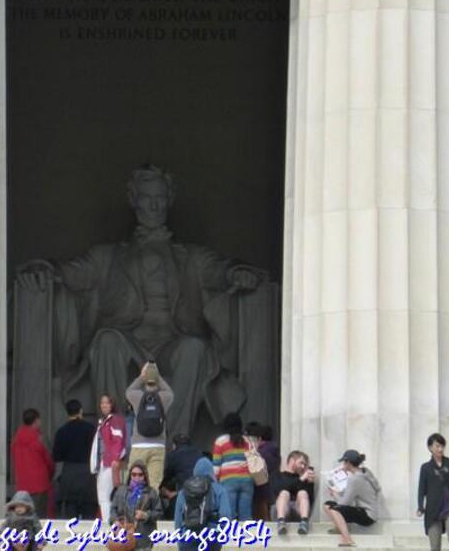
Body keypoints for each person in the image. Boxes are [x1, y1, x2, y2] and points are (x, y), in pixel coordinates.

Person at [15, 165, 269, 438]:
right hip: (127, 340)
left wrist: (237, 273)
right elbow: (71, 273)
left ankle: (173, 439)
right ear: (134, 199)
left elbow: (219, 271)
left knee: (195, 349)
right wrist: (44, 269)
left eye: (160, 197)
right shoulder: (108, 257)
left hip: (172, 342)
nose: (154, 205)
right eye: (147, 197)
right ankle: (115, 436)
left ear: (169, 199)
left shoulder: (191, 258)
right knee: (106, 341)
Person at [126, 363, 173, 491]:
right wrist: (157, 376)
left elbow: (128, 391)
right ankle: (149, 510)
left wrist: (142, 376)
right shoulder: (164, 397)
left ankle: (133, 508)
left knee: (134, 482)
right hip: (158, 445)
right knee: (154, 485)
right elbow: (170, 392)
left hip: (138, 445)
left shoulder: (137, 397)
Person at [323, 450, 382, 547]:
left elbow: (344, 503)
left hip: (368, 515)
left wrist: (334, 493)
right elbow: (377, 487)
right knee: (327, 505)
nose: (342, 465)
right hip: (369, 512)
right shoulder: (365, 472)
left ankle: (347, 539)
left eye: (344, 462)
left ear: (348, 463)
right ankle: (339, 527)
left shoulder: (354, 479)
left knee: (334, 510)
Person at [418, 433, 449, 551]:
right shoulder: (426, 467)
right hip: (433, 509)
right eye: (437, 446)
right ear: (430, 448)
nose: (440, 449)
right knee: (435, 546)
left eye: (442, 446)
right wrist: (420, 506)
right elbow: (421, 489)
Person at [53, 399, 97, 519]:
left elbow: (56, 456)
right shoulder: (90, 429)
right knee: (89, 517)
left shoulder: (61, 432)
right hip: (87, 474)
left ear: (67, 413)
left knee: (70, 518)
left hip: (69, 475)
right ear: (81, 411)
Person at [174, 456, 227, 551]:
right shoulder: (219, 490)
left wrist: (180, 543)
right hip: (211, 538)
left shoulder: (184, 491)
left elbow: (178, 521)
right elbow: (225, 515)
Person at [110, 461, 164, 550]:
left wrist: (146, 515)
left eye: (140, 475)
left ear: (145, 476)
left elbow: (159, 512)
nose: (137, 478)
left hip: (143, 538)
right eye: (134, 475)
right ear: (130, 475)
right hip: (123, 536)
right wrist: (115, 520)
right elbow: (113, 509)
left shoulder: (151, 493)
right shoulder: (121, 491)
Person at [11, 408, 54, 517]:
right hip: (40, 484)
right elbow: (49, 461)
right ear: (36, 421)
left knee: (23, 518)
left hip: (22, 484)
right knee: (39, 517)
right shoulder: (39, 438)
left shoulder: (16, 439)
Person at [91, 393, 127, 523]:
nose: (104, 405)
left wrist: (115, 459)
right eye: (102, 403)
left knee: (104, 496)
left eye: (107, 402)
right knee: (107, 495)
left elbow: (118, 440)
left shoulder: (114, 420)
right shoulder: (105, 421)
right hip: (105, 463)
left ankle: (108, 523)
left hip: (109, 463)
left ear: (113, 404)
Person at [212, 412, 254, 520]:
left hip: (228, 480)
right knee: (246, 515)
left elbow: (216, 466)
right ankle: (246, 535)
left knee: (228, 514)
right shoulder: (248, 441)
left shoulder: (221, 441)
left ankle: (228, 536)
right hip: (247, 480)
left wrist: (215, 481)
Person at [272, 450, 315, 535]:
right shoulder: (277, 475)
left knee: (302, 493)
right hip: (282, 510)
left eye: (305, 465)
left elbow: (310, 500)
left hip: (298, 511)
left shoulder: (304, 477)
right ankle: (281, 523)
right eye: (301, 463)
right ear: (292, 461)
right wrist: (301, 479)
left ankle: (304, 523)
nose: (303, 467)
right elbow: (278, 490)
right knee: (284, 493)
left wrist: (310, 484)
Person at [161, 434, 203, 518]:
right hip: (200, 490)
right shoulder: (199, 452)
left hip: (183, 492)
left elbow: (167, 475)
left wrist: (165, 491)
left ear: (174, 445)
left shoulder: (173, 455)